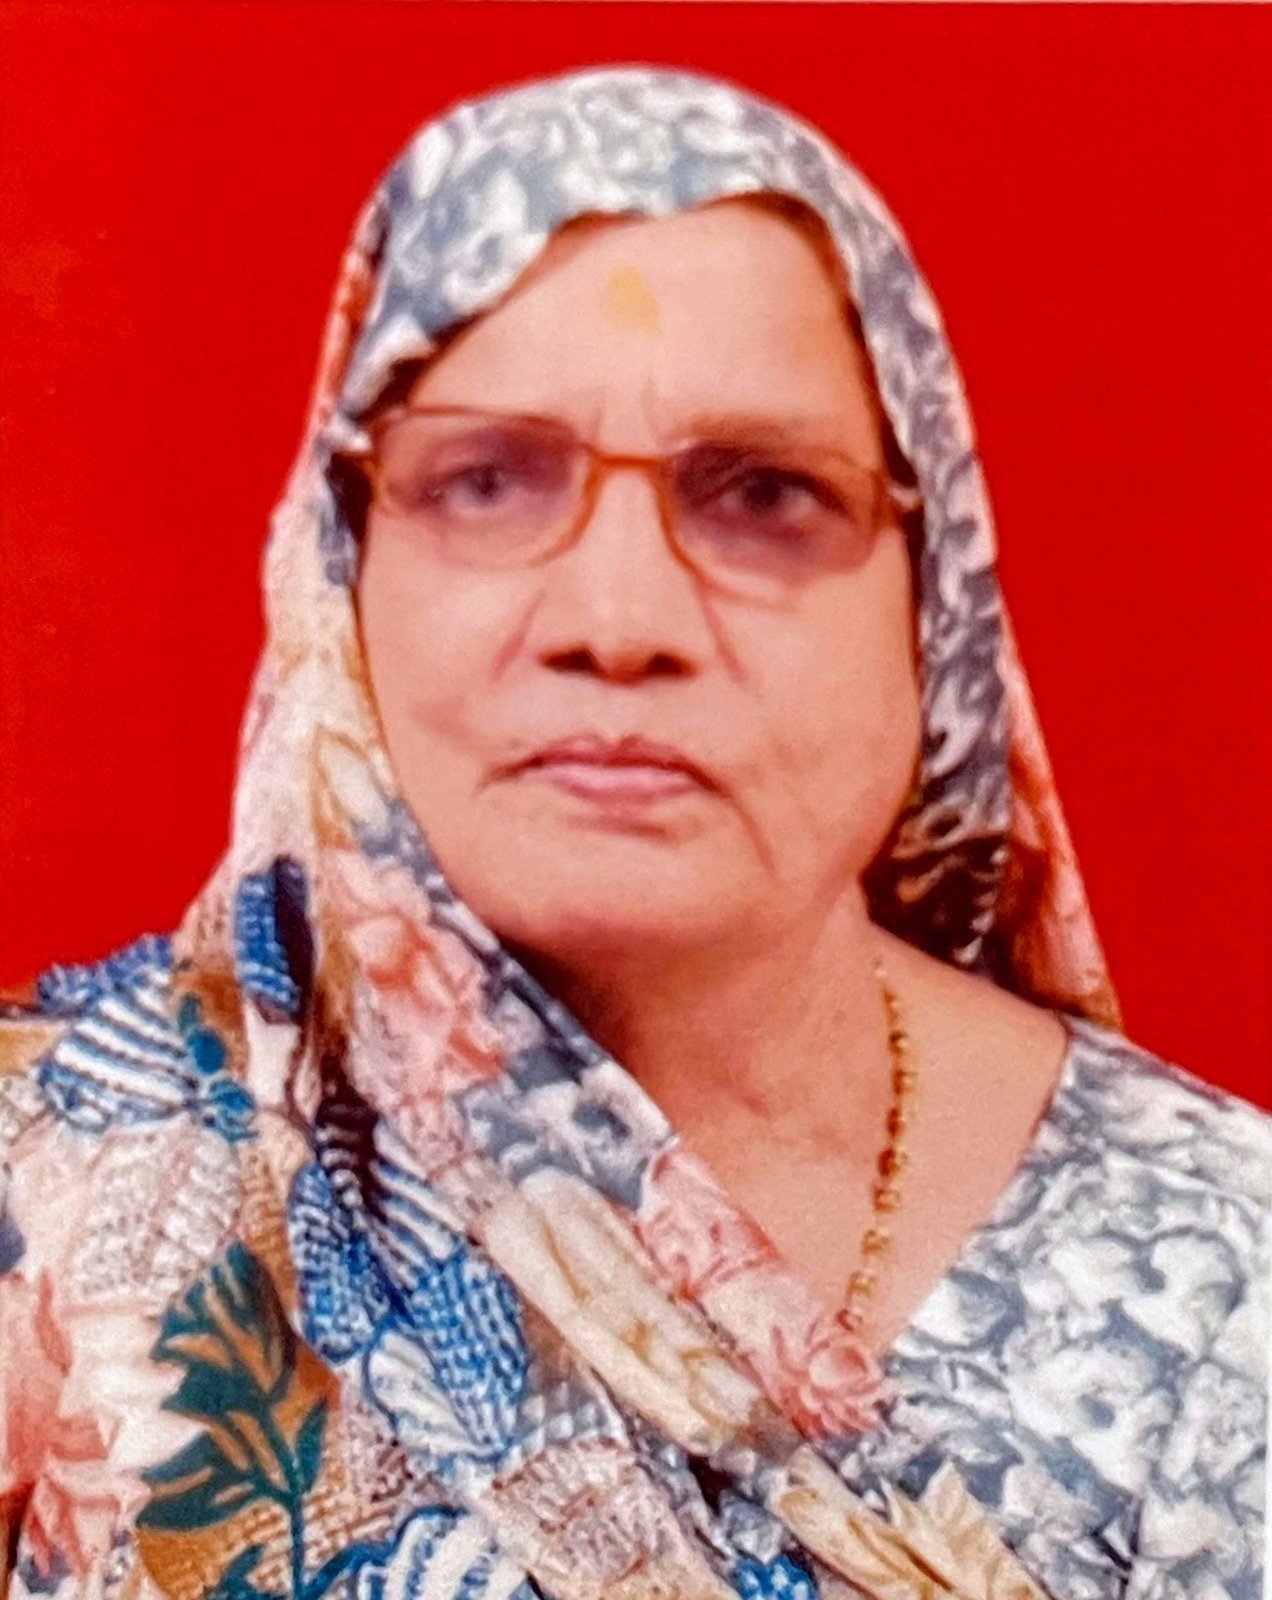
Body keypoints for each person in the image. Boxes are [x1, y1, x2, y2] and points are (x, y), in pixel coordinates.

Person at [0, 64, 1267, 1600]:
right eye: (484, 480)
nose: (616, 618)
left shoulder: (1228, 1270)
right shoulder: (50, 1171)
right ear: (339, 569)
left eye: (764, 494)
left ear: (933, 614)